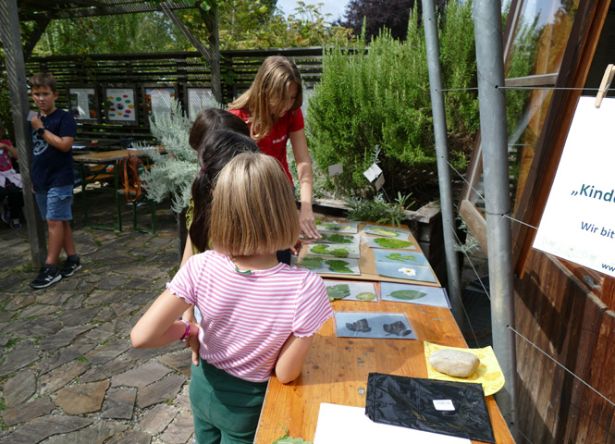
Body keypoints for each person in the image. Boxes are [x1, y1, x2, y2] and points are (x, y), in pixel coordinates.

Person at [131, 152, 332, 444]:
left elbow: (141, 336)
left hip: (203, 387)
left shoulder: (201, 266)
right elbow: (286, 373)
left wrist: (189, 329)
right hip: (247, 407)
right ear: (285, 212)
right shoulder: (305, 287)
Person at [228, 55, 321, 242]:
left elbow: (303, 161)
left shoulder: (292, 112)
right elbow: (232, 175)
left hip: (282, 192)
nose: (287, 105)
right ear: (265, 91)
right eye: (282, 98)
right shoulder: (237, 117)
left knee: (285, 254)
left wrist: (306, 207)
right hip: (250, 198)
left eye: (293, 98)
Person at [28, 72, 80, 289]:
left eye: (45, 94)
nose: (41, 98)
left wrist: (40, 129)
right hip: (41, 179)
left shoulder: (63, 118)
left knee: (54, 221)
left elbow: (65, 144)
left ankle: (50, 267)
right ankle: (73, 258)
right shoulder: (33, 118)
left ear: (55, 95)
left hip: (60, 178)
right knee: (59, 219)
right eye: (37, 94)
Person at [0, 124, 23, 228]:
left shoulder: (6, 142)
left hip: (10, 173)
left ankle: (15, 217)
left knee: (16, 191)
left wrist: (6, 147)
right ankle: (5, 210)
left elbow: (16, 156)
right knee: (2, 192)